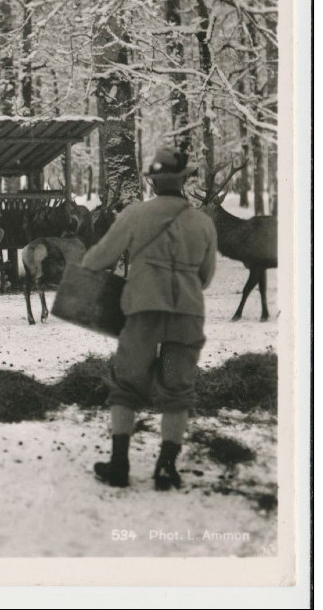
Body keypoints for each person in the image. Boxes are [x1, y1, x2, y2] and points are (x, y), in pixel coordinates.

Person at [81, 147, 218, 490]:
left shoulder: (135, 215)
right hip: (187, 312)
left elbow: (99, 259)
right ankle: (165, 467)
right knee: (177, 390)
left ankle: (119, 464)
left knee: (126, 386)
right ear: (184, 181)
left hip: (142, 309)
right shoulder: (202, 221)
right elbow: (206, 275)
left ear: (154, 184)